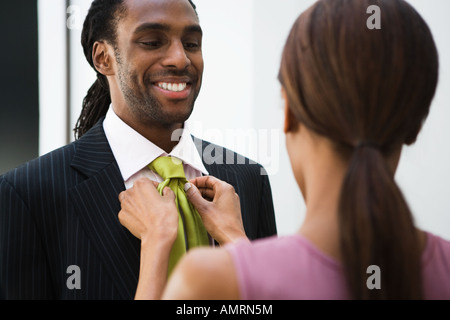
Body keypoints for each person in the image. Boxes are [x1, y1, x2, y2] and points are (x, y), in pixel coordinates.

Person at [118, 0, 450, 300]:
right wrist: (237, 241)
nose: (179, 57)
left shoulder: (207, 279)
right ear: (415, 125)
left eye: (191, 44)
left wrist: (159, 241)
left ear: (288, 110)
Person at [0, 0, 277, 300]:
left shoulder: (249, 181)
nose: (180, 58)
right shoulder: (30, 194)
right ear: (103, 57)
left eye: (192, 43)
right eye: (152, 42)